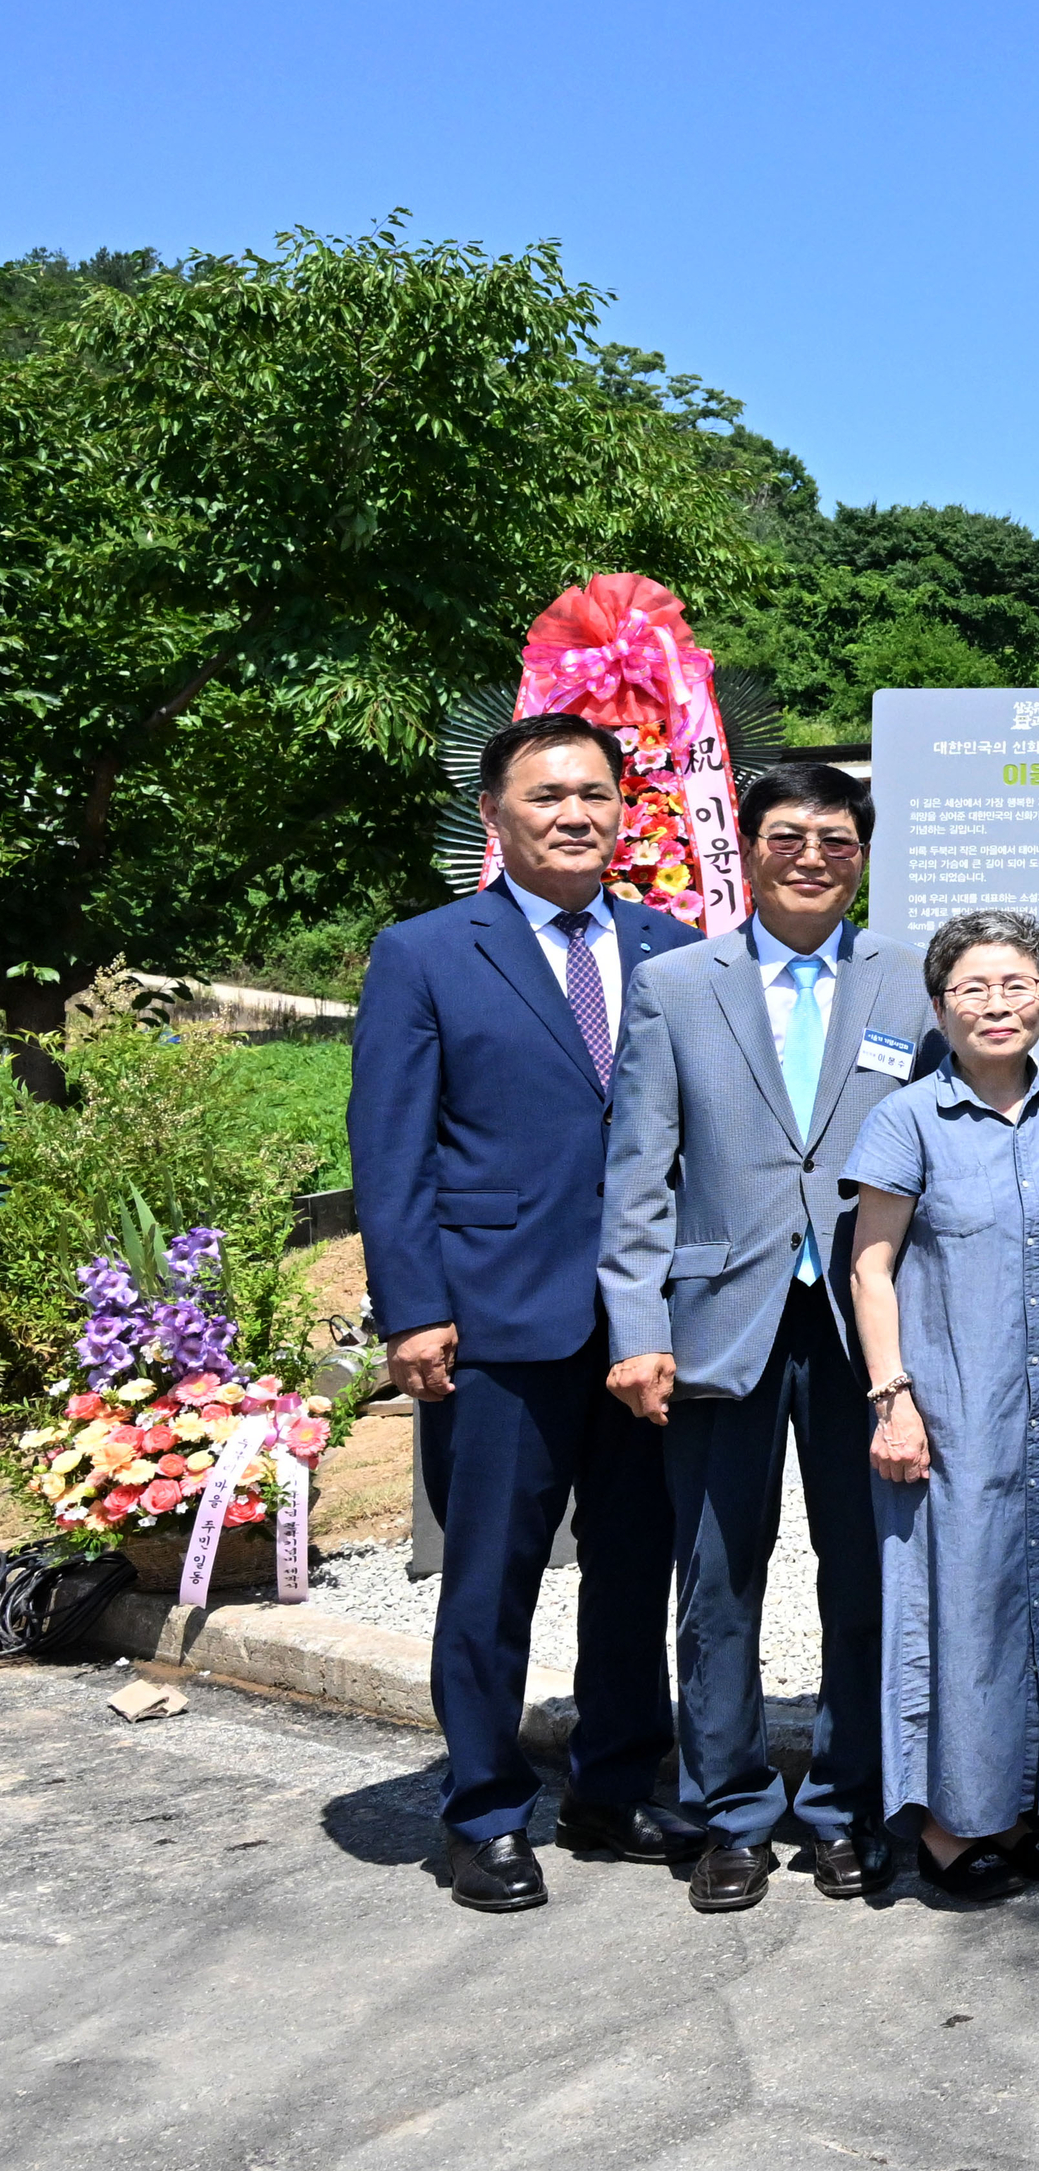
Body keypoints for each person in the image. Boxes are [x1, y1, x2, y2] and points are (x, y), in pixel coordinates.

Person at [350, 712, 703, 1914]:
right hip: (497, 1321)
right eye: (548, 795)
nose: (575, 815)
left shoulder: (673, 947)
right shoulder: (428, 951)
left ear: (624, 811)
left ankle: (613, 1785)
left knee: (633, 1568)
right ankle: (485, 1809)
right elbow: (391, 1148)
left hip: (642, 1322)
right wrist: (413, 1309)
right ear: (497, 816)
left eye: (597, 795)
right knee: (490, 1579)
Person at [600, 762, 938, 1911]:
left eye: (836, 840)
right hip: (714, 1328)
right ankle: (731, 1808)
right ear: (749, 847)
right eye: (788, 836)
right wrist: (636, 1328)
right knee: (718, 1582)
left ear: (862, 854)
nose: (811, 857)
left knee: (864, 1575)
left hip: (861, 1330)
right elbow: (639, 1173)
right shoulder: (678, 983)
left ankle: (846, 1805)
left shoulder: (909, 983)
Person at [845, 913, 1039, 1899]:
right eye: (972, 989)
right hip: (949, 1412)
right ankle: (954, 1825)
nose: (996, 1006)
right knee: (958, 1613)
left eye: (1016, 986)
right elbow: (870, 1270)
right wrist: (892, 1399)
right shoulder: (907, 1119)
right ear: (939, 1006)